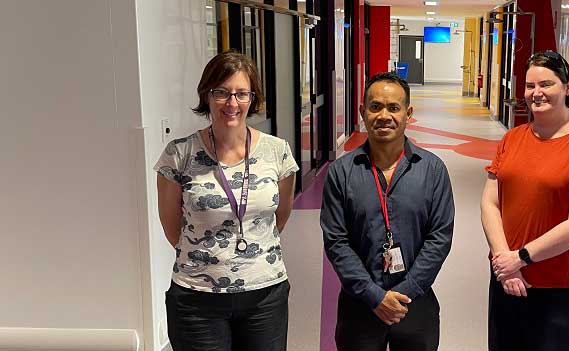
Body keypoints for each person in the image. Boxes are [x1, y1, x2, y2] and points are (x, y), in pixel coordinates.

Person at [155, 51, 298, 351]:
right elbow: (172, 227)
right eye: (221, 93)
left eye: (241, 93)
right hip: (197, 297)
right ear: (206, 95)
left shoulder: (277, 151)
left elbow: (279, 217)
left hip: (264, 295)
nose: (232, 103)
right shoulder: (179, 155)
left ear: (252, 98)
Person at [483, 50, 569, 351]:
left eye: (546, 84)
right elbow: (490, 203)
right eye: (530, 86)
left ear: (568, 87)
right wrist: (505, 261)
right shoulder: (512, 139)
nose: (535, 93)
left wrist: (521, 257)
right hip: (507, 277)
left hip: (560, 287)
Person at [320, 72, 454, 351]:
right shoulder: (341, 173)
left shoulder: (432, 170)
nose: (384, 115)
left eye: (394, 107)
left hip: (414, 302)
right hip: (360, 304)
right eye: (375, 107)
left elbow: (439, 238)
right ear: (362, 112)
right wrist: (374, 296)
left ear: (408, 113)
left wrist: (403, 293)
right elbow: (336, 241)